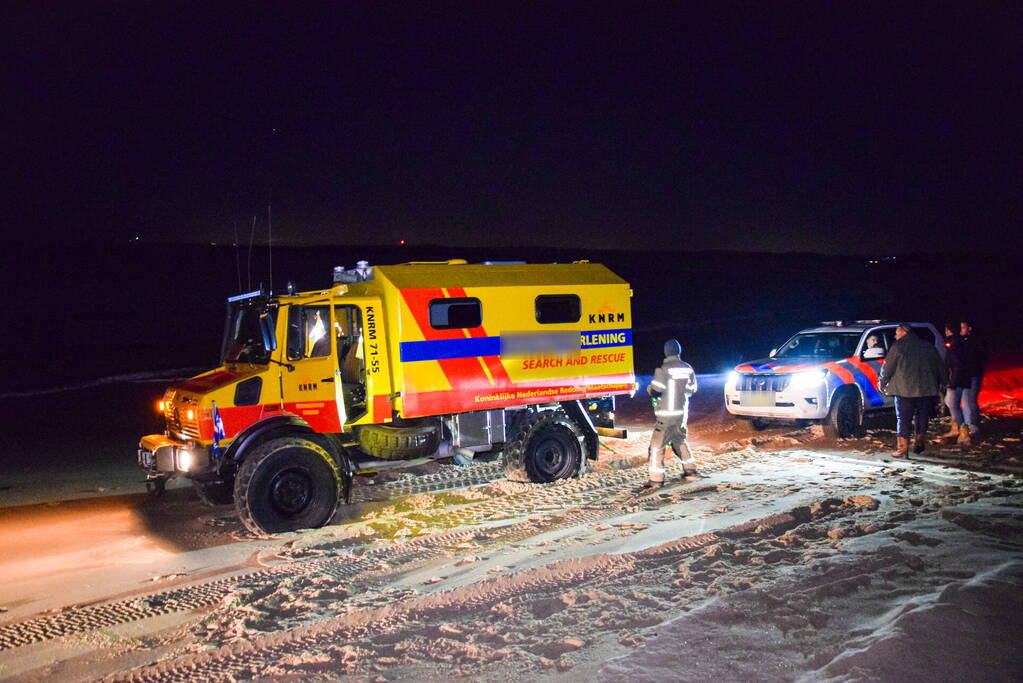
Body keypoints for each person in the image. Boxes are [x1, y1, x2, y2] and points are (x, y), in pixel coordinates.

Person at [641, 339, 703, 489]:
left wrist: (649, 388)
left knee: (657, 446)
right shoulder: (688, 368)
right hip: (681, 414)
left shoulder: (663, 369)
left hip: (666, 416)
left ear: (666, 352)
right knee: (680, 440)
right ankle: (690, 471)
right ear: (678, 351)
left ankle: (656, 479)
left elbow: (656, 390)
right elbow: (692, 390)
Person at [879, 323, 946, 457]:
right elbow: (939, 366)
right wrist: (944, 382)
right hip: (926, 389)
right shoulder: (928, 346)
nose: (895, 335)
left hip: (904, 390)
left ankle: (903, 448)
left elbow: (888, 367)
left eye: (897, 332)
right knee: (922, 416)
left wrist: (882, 382)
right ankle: (920, 440)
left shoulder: (898, 347)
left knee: (903, 418)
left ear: (904, 332)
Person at [940, 323, 971, 443]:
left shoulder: (955, 344)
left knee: (953, 404)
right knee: (950, 402)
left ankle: (964, 431)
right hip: (959, 378)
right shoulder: (959, 342)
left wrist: (952, 381)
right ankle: (957, 428)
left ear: (949, 331)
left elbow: (956, 365)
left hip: (956, 380)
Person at [959, 320, 987, 441]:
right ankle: (967, 424)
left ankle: (974, 424)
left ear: (969, 328)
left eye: (963, 327)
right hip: (965, 375)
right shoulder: (961, 341)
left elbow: (980, 356)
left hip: (974, 374)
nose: (961, 330)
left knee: (971, 400)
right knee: (964, 400)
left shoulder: (974, 341)